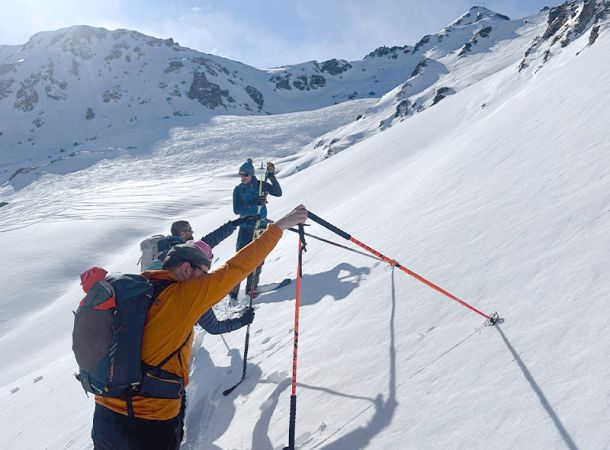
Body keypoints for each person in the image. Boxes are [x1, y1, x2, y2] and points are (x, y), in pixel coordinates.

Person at [91, 205, 308, 450]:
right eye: (205, 273)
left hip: (105, 415)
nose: (207, 279)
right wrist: (279, 226)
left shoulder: (139, 289)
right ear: (186, 269)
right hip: (149, 421)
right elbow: (237, 268)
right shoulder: (184, 295)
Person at [229, 159, 282, 301]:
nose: (242, 178)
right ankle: (233, 293)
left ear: (251, 174)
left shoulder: (261, 186)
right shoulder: (238, 190)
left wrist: (271, 177)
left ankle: (251, 289)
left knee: (258, 258)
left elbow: (278, 193)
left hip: (260, 226)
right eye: (241, 175)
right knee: (240, 259)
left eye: (245, 175)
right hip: (245, 228)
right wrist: (253, 202)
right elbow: (237, 209)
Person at [148, 215, 260, 270]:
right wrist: (237, 223)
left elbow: (212, 238)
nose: (192, 232)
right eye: (189, 230)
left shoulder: (165, 247)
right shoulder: (187, 250)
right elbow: (213, 239)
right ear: (182, 234)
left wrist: (236, 223)